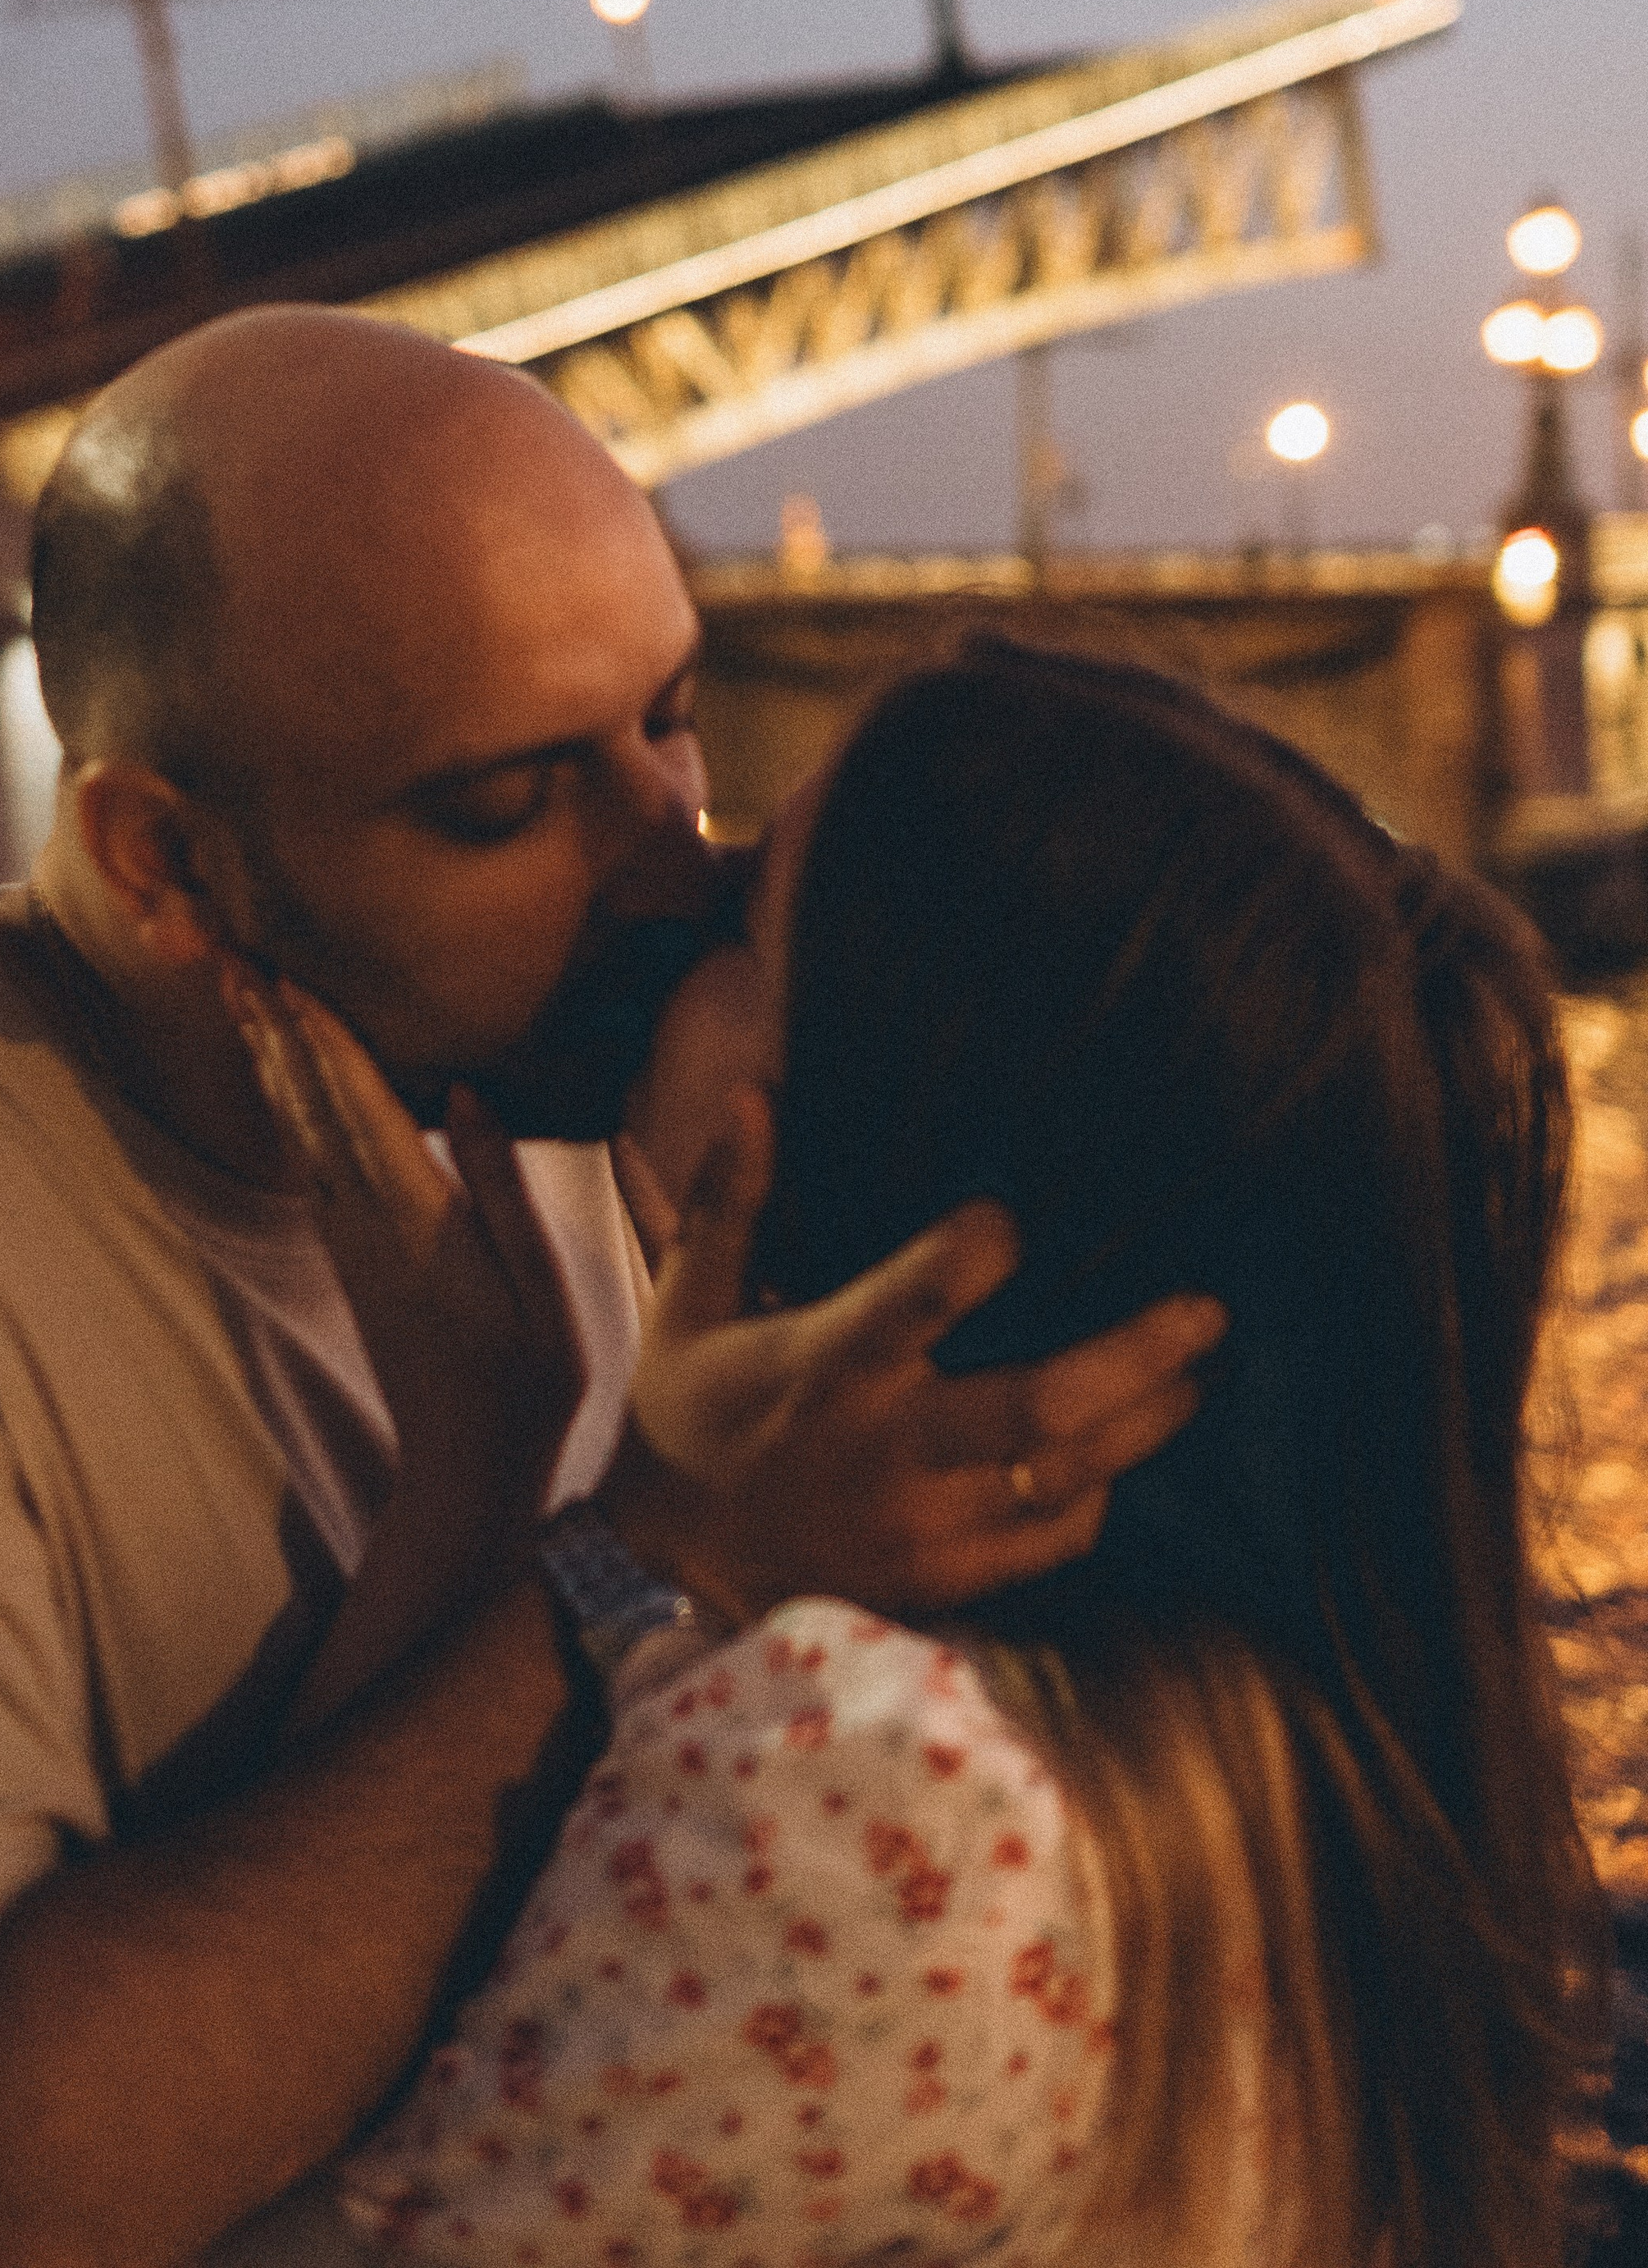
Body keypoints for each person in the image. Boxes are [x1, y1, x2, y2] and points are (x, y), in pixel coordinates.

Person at [0, 313, 1219, 2268]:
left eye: (669, 721)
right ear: (162, 855)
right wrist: (636, 1555)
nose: (665, 860)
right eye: (504, 806)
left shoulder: (592, 1077)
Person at [251, 640, 1600, 2268]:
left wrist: (601, 1537)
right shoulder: (1305, 1724)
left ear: (876, 1118)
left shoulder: (866, 1777)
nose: (672, 902)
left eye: (749, 923)